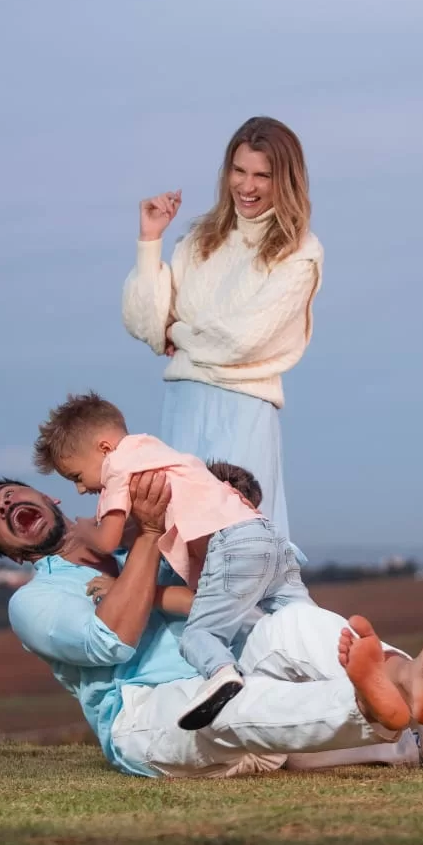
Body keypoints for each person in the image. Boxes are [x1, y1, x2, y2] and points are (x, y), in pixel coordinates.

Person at [0, 470, 423, 778]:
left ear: (51, 499)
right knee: (226, 706)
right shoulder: (35, 601)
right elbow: (111, 640)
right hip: (144, 711)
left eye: (9, 494)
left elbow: (258, 577)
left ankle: (406, 681)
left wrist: (223, 511)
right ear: (11, 551)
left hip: (224, 664)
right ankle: (377, 708)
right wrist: (149, 535)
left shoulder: (148, 532)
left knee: (288, 622)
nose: (4, 506)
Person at [32, 391, 312, 729]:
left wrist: (83, 531)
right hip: (267, 538)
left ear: (104, 449)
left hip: (232, 546)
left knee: (199, 637)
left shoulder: (119, 467)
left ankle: (222, 678)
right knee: (305, 623)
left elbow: (107, 540)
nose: (80, 490)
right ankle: (346, 669)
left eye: (76, 476)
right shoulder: (156, 453)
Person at [121, 116, 322, 539]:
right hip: (183, 403)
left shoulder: (299, 253)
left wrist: (178, 332)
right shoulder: (198, 240)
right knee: (176, 540)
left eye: (262, 175)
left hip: (243, 408)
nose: (247, 186)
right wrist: (150, 239)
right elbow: (145, 323)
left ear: (284, 180)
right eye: (239, 171)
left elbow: (241, 340)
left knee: (238, 541)